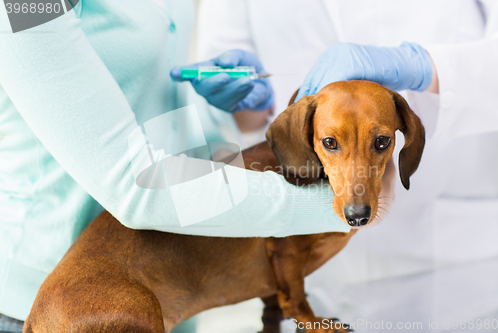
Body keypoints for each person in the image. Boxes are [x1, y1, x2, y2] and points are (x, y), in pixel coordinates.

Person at [0, 0, 355, 331]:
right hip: (59, 306)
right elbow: (135, 189)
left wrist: (231, 111)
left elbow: (159, 117)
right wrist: (346, 201)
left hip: (168, 276)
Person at [195, 0, 498, 328]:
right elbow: (232, 120)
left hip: (454, 259)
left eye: (381, 142)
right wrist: (245, 100)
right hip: (314, 260)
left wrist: (425, 66)